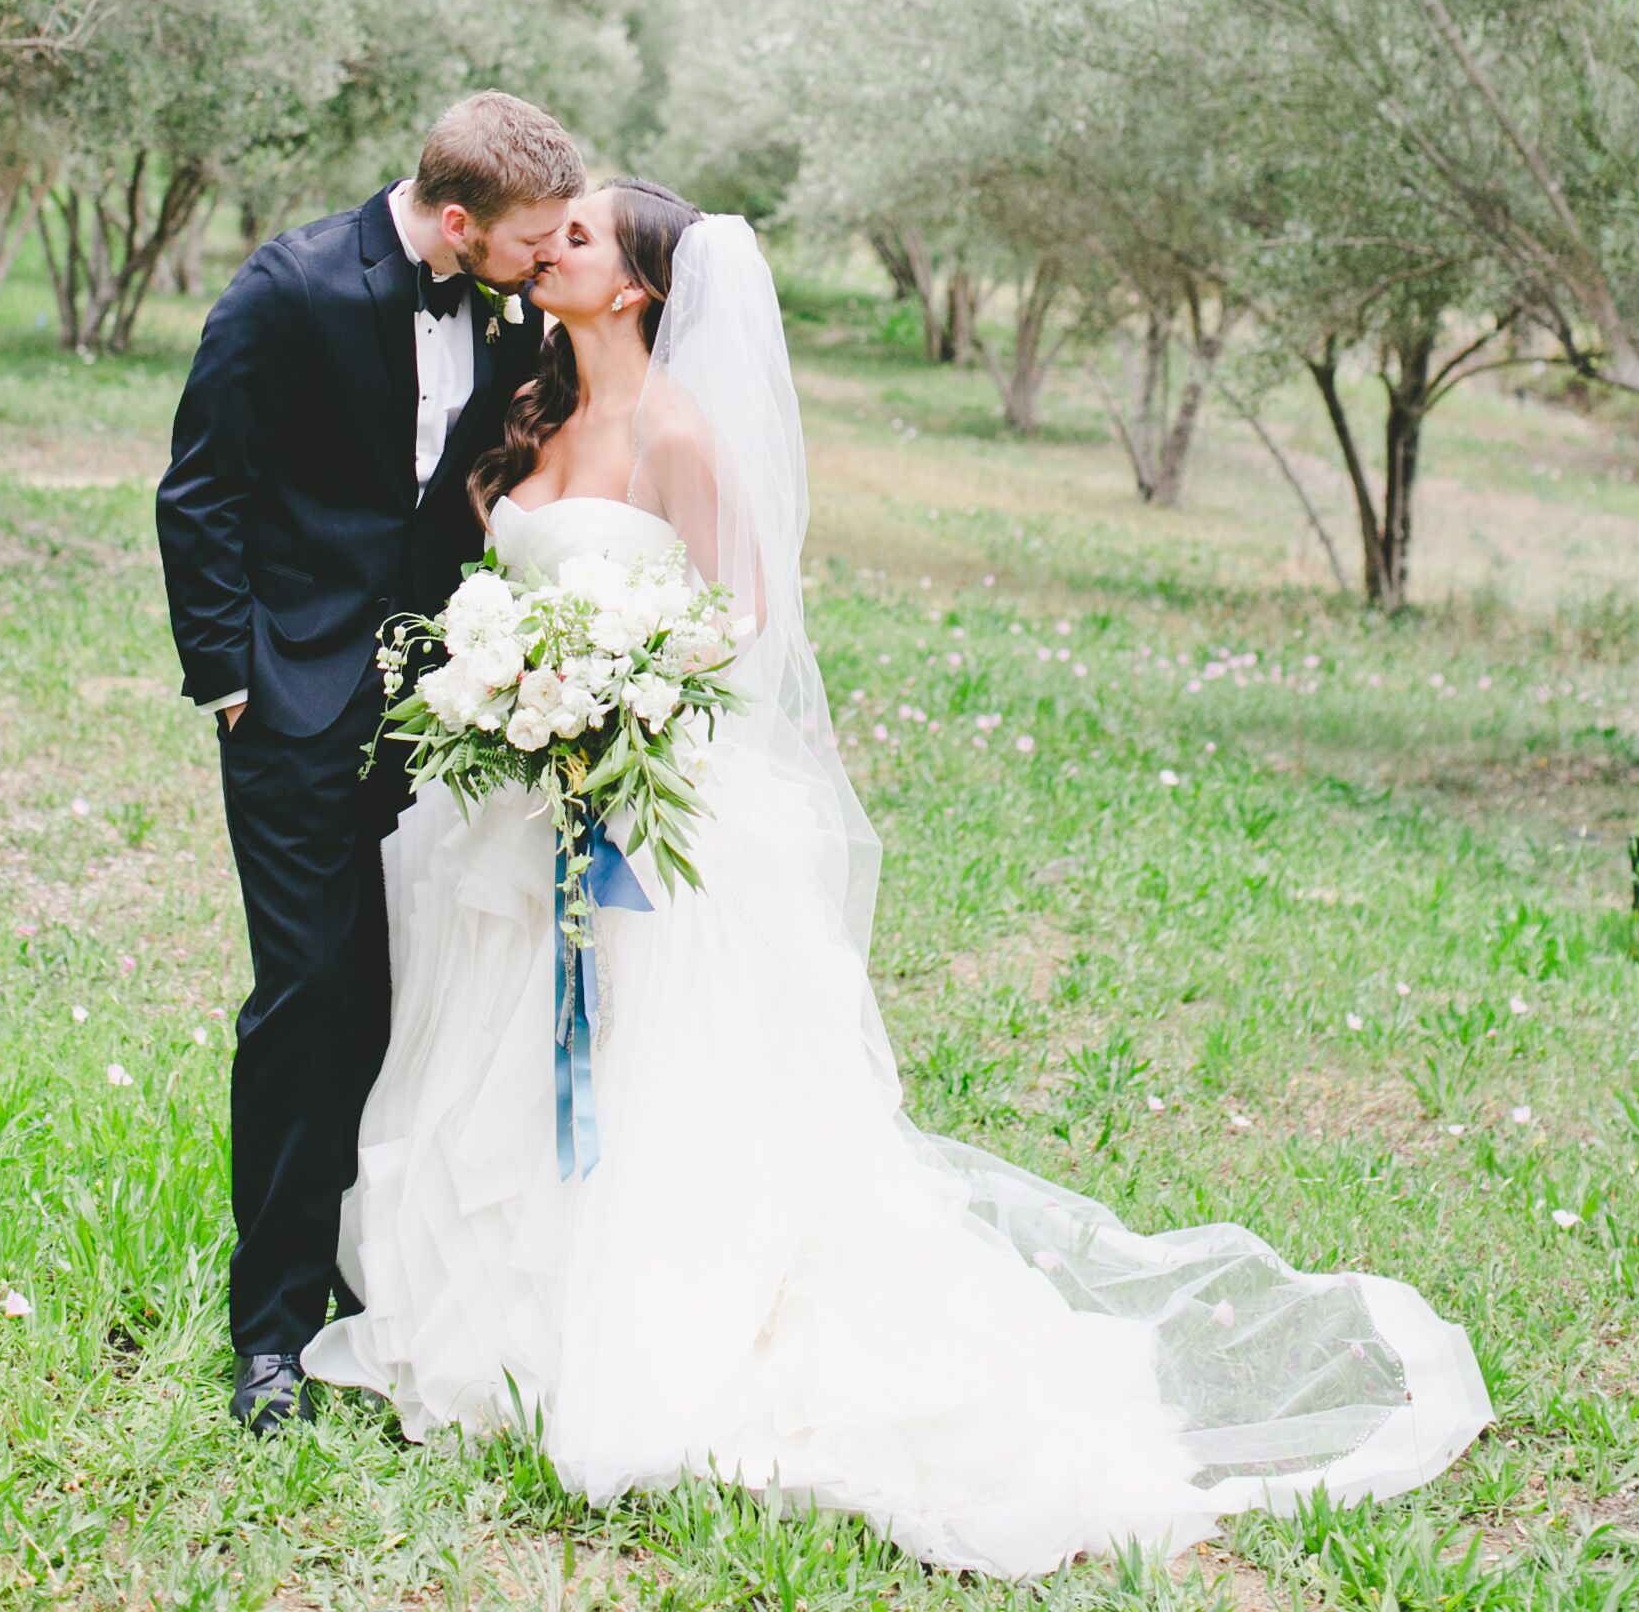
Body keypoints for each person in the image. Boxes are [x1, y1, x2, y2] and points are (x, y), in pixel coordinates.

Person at [303, 185, 1493, 1577]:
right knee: (502, 1050)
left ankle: (646, 1320)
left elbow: (740, 628)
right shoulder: (526, 403)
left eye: (578, 238)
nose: (546, 246)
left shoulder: (679, 434)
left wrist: (617, 709)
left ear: (633, 288)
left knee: (656, 1078)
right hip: (516, 815)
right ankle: (501, 1305)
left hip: (645, 815)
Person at [156, 91, 584, 1434]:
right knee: (309, 995)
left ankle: (374, 1278)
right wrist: (232, 682)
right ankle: (271, 1327)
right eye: (529, 238)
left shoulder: (512, 313)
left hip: (439, 710)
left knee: (407, 994)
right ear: (459, 221)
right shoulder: (286, 289)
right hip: (288, 703)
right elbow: (201, 490)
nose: (546, 257)